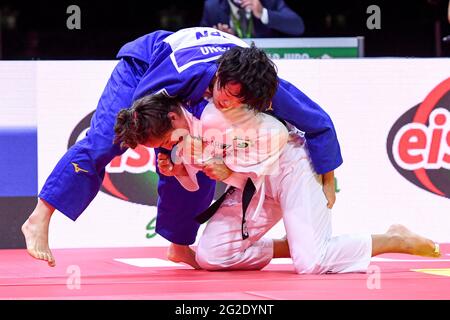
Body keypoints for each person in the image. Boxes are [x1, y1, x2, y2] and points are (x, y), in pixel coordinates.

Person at [22, 27, 341, 268]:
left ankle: (178, 244)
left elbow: (318, 121)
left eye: (236, 100)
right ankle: (41, 216)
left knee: (201, 157)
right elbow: (149, 121)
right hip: (144, 67)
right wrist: (172, 156)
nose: (225, 102)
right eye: (223, 94)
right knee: (105, 141)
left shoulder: (265, 86)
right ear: (219, 76)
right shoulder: (173, 78)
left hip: (199, 86)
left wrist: (327, 179)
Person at [113, 93, 441, 274]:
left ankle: (394, 239)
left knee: (313, 264)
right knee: (212, 257)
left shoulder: (217, 111)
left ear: (174, 116)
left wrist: (228, 172)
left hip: (291, 166)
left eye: (167, 140)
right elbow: (193, 187)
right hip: (255, 188)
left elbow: (277, 137)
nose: (170, 146)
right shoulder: (183, 139)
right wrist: (175, 172)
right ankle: (291, 244)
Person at [200, 0, 304, 38]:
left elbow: (298, 27)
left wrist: (263, 13)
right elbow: (199, 40)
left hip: (265, 62)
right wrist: (217, 37)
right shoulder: (212, 6)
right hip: (231, 66)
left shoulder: (269, 2)